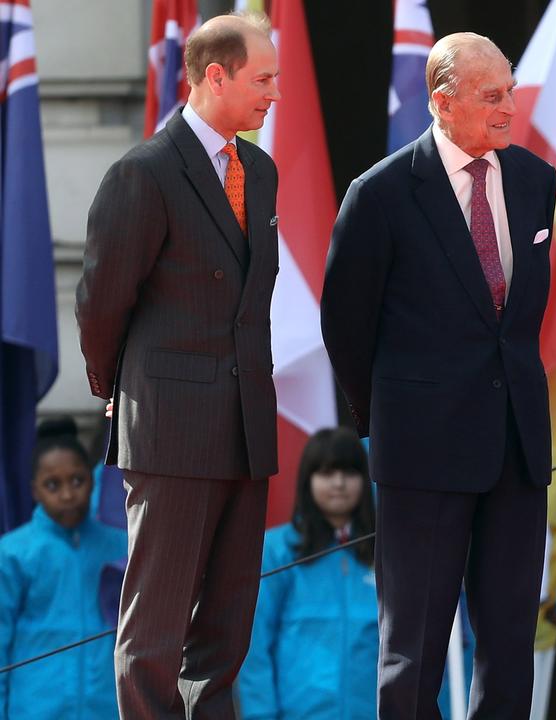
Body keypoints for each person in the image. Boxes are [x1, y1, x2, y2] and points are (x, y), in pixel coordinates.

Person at [320, 32, 556, 719]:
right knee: (415, 647)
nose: (511, 106)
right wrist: (396, 421)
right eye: (493, 96)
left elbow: (516, 320)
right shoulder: (381, 194)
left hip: (517, 447)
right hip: (422, 454)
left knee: (510, 644)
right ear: (442, 102)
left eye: (510, 90)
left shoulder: (536, 181)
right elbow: (347, 328)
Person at [74, 11, 281, 717]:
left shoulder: (260, 170)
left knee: (225, 633)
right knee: (156, 633)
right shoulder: (145, 172)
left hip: (245, 428)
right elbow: (101, 305)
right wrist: (119, 391)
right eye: (263, 79)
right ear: (214, 77)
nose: (274, 93)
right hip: (169, 429)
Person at [239, 428, 379, 720]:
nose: (339, 483)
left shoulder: (389, 556)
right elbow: (255, 647)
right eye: (327, 473)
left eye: (350, 472)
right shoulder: (276, 551)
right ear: (308, 480)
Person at [0, 418, 127, 719]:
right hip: (34, 708)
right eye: (53, 484)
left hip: (108, 707)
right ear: (34, 491)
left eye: (77, 480)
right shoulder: (13, 553)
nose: (68, 495)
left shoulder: (121, 549)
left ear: (93, 481)